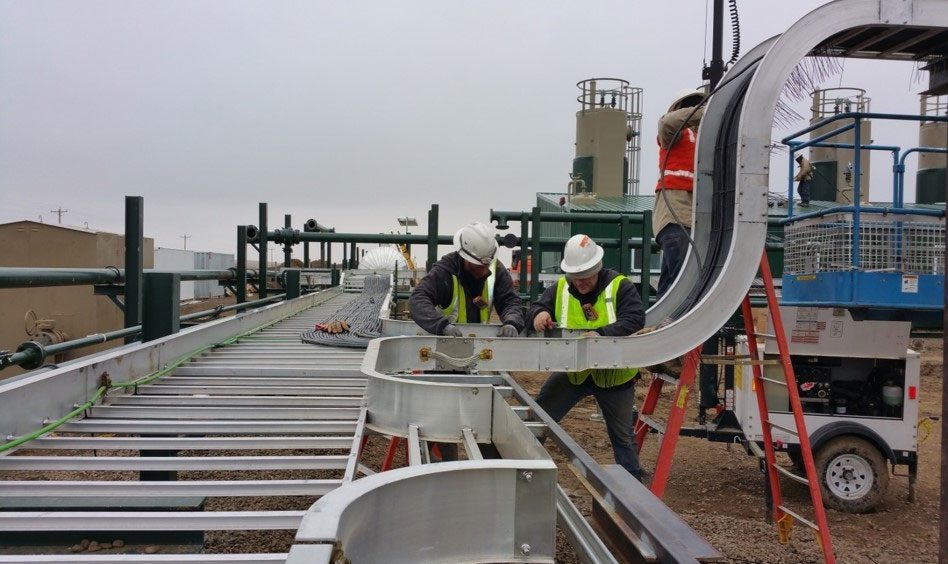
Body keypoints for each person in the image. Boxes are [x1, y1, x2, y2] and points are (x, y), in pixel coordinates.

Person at [526, 234, 646, 480]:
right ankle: (524, 465)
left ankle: (633, 486)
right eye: (575, 277)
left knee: (622, 436)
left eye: (585, 277)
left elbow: (635, 319)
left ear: (597, 268)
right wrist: (538, 313)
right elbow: (536, 307)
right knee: (540, 416)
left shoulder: (620, 286)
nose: (579, 283)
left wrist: (601, 333)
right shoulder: (561, 287)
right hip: (575, 372)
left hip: (614, 376)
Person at [409, 221, 524, 337]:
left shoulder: (496, 270)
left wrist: (512, 322)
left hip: (481, 342)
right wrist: (442, 326)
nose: (485, 271)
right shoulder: (445, 272)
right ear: (466, 258)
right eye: (479, 265)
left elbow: (510, 301)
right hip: (445, 343)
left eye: (487, 265)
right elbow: (418, 299)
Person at [653, 88, 707, 297]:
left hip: (693, 214)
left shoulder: (705, 139)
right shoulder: (674, 134)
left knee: (672, 278)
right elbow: (666, 123)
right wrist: (703, 112)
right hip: (675, 210)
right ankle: (673, 318)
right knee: (682, 276)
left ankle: (662, 319)